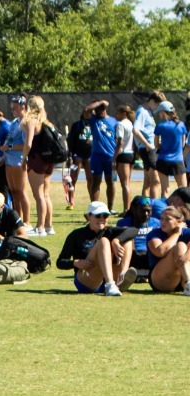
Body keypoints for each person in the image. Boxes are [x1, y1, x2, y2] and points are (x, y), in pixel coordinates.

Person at [58, 201, 129, 296]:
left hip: (106, 278)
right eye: (98, 215)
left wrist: (116, 241)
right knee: (104, 241)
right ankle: (110, 284)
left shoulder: (110, 231)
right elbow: (60, 262)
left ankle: (122, 275)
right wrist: (75, 263)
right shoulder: (76, 235)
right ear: (88, 217)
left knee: (127, 239)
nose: (102, 219)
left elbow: (133, 231)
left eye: (105, 216)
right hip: (86, 278)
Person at [21, 95, 60, 235]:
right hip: (49, 160)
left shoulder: (31, 120)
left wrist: (24, 158)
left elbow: (28, 143)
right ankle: (49, 226)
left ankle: (40, 227)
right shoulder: (46, 122)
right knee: (45, 194)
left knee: (38, 196)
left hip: (36, 159)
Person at [145, 205, 187, 294]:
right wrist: (176, 234)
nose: (163, 222)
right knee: (180, 246)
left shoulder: (186, 232)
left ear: (178, 222)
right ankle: (189, 283)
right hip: (161, 280)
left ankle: (187, 284)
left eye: (168, 219)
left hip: (181, 279)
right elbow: (160, 252)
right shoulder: (154, 234)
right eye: (161, 218)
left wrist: (187, 256)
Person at [154, 102, 185, 196]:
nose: (159, 114)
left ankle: (164, 210)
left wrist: (163, 146)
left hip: (163, 160)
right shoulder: (181, 125)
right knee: (183, 189)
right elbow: (183, 144)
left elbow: (156, 144)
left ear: (163, 112)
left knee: (165, 190)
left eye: (159, 112)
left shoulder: (160, 126)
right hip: (178, 161)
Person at [135, 93, 162, 200]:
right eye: (157, 105)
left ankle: (143, 208)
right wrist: (148, 145)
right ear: (152, 101)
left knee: (148, 182)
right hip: (148, 150)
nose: (157, 109)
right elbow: (135, 130)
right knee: (156, 181)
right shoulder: (142, 111)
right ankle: (154, 209)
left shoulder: (148, 111)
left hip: (151, 149)